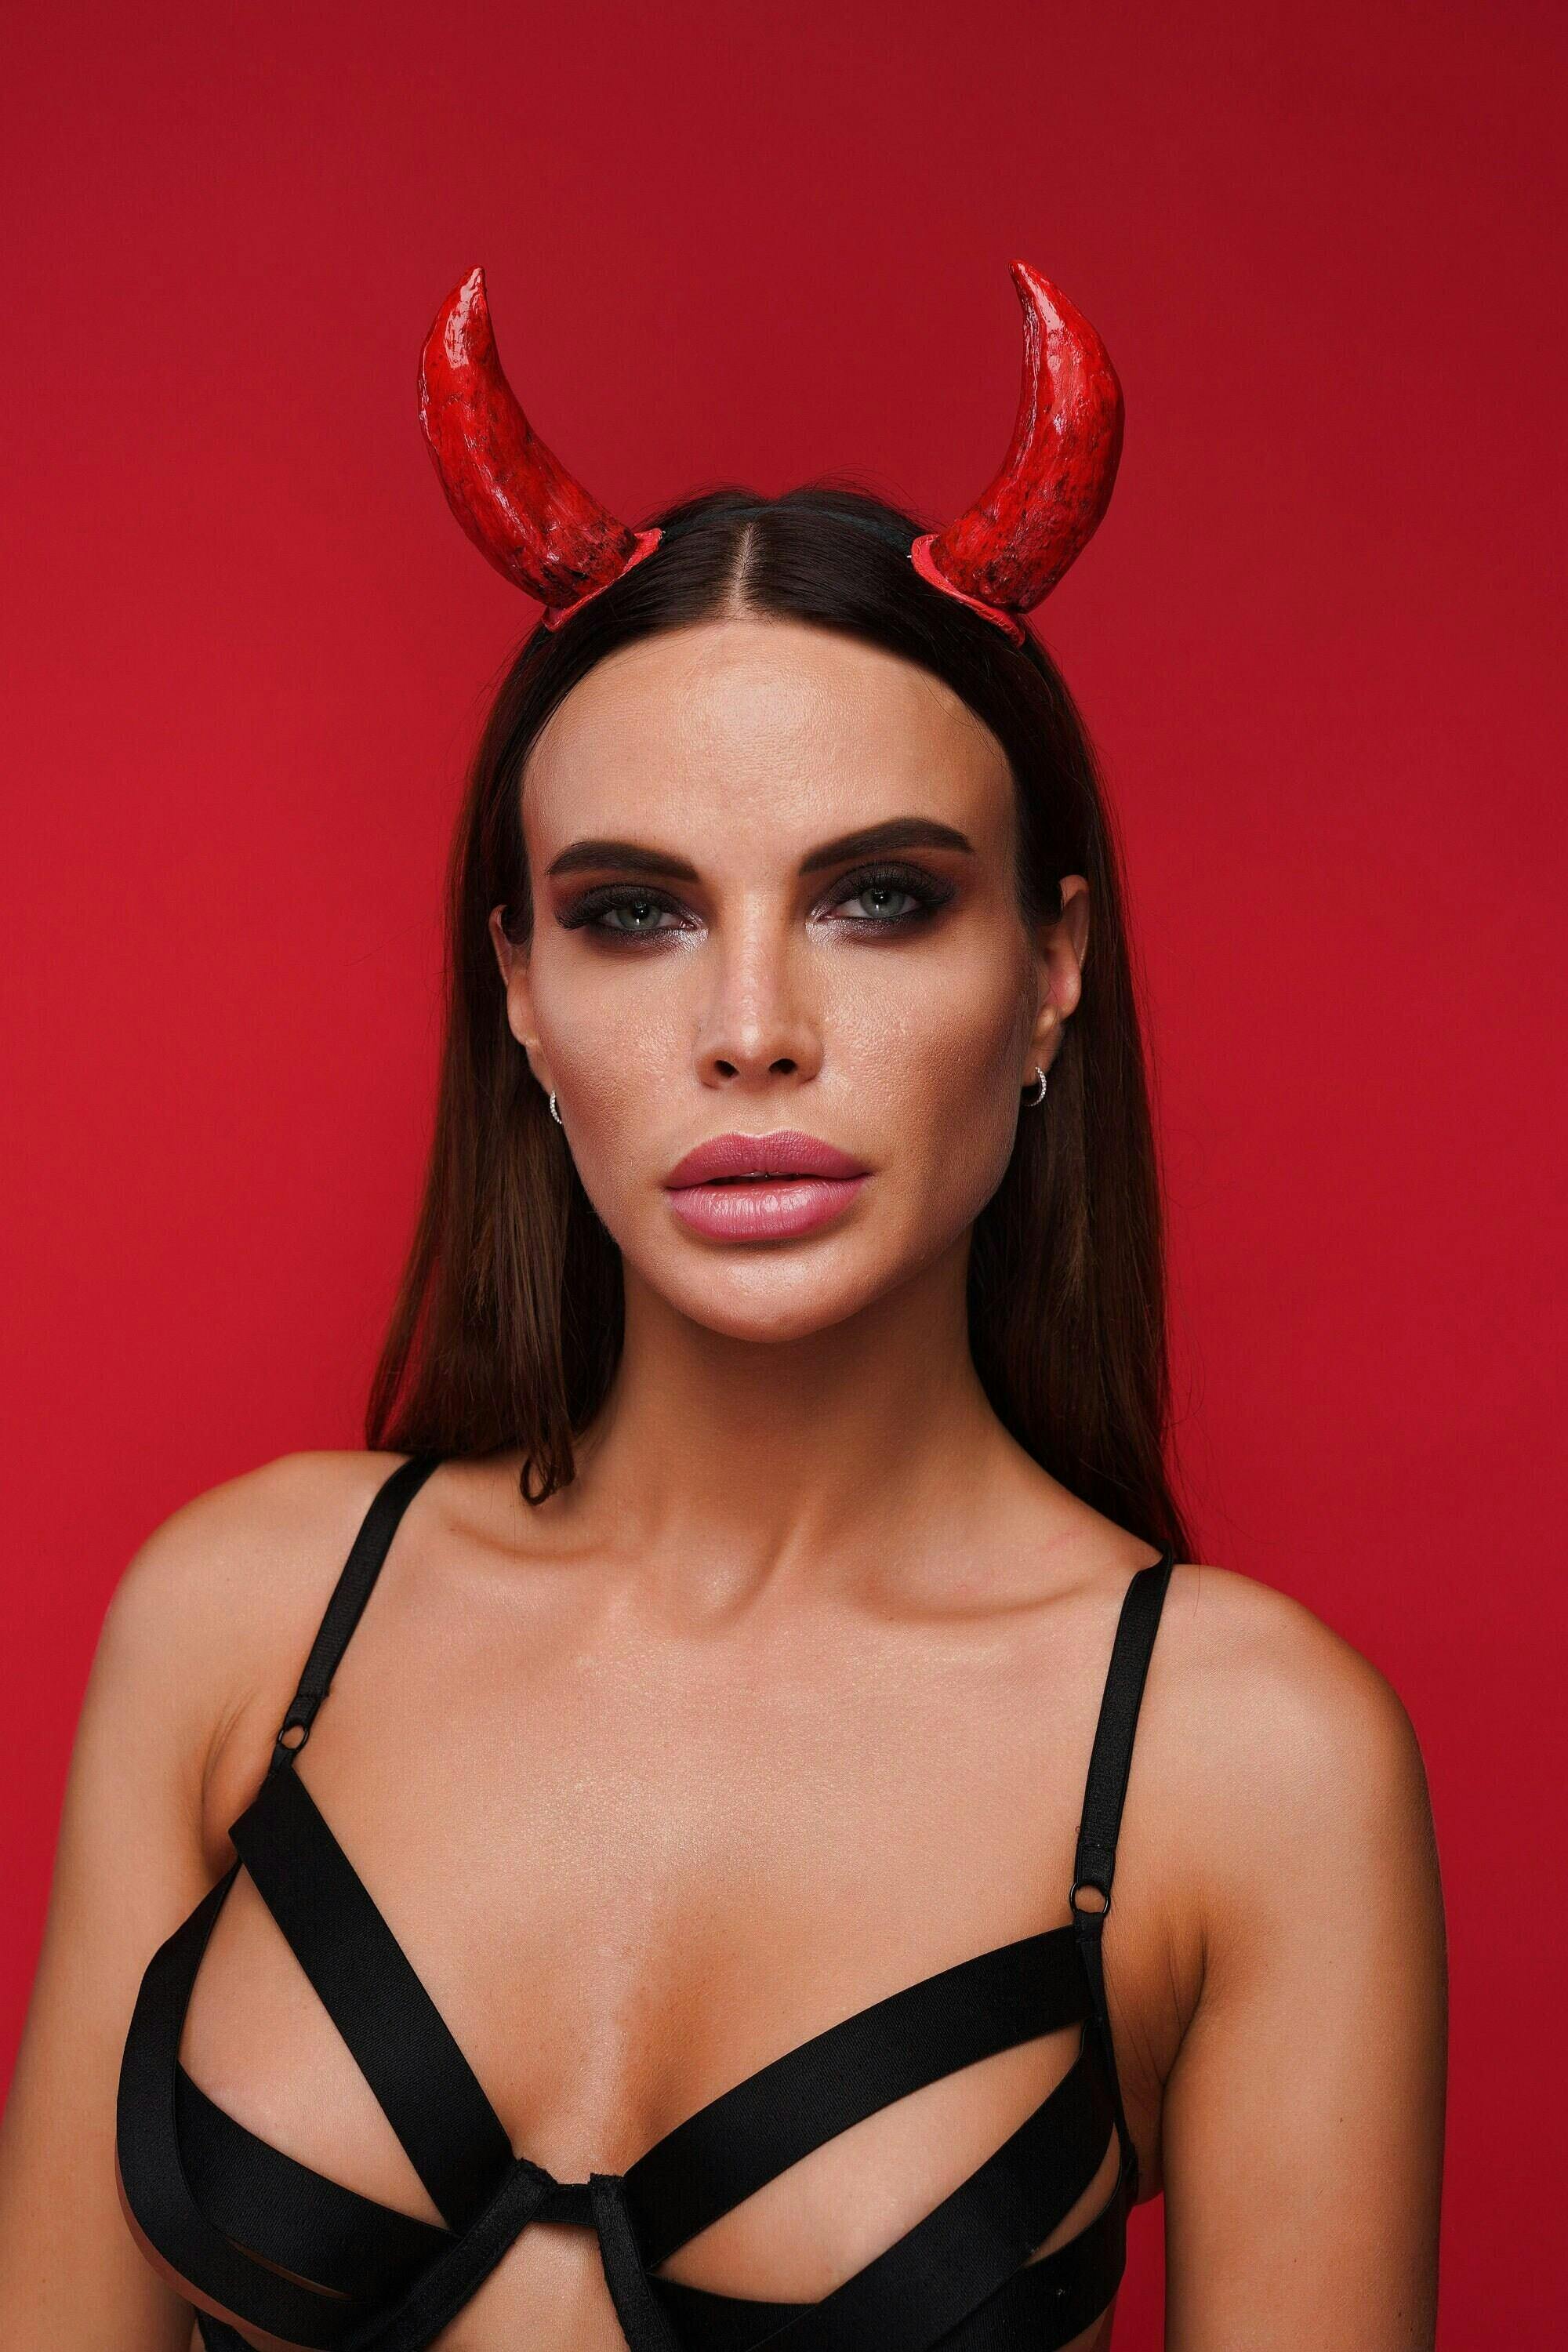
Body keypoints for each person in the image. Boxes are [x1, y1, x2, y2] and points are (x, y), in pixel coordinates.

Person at [0, 263, 1446, 2352]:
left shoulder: (1244, 1766)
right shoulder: (245, 1627)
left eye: (880, 899)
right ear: (519, 987)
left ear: (1052, 971)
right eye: (635, 914)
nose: (752, 1028)